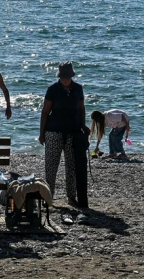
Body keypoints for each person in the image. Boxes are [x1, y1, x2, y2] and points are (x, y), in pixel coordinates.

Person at [38, 61, 90, 208]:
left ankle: (71, 197)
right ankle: (49, 196)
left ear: (71, 76)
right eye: (63, 77)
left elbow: (81, 109)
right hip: (53, 131)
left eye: (67, 76)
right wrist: (42, 133)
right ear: (59, 76)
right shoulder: (52, 89)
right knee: (51, 166)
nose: (65, 79)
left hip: (73, 131)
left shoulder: (78, 89)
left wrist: (83, 125)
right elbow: (45, 112)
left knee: (72, 166)